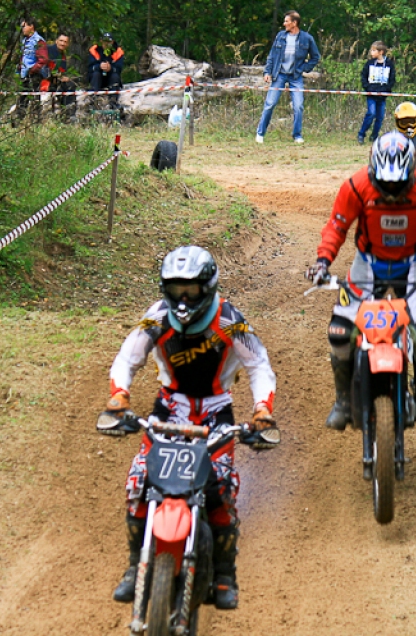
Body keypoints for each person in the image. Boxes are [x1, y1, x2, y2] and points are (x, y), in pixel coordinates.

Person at [97, 246, 277, 611]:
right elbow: (127, 356)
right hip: (169, 411)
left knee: (220, 489)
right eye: (176, 288)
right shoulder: (156, 316)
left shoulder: (231, 320)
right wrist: (119, 395)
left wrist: (262, 409)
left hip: (215, 415)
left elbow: (258, 365)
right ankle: (135, 567)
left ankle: (225, 574)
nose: (183, 297)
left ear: (207, 287)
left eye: (191, 290)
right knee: (139, 484)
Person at [305, 132, 416, 432]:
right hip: (368, 264)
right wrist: (323, 261)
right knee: (339, 332)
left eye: (398, 186)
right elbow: (337, 226)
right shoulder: (356, 186)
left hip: (413, 264)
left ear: (413, 172)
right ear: (373, 172)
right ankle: (343, 402)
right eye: (384, 186)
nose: (391, 193)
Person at [255, 11, 321, 144]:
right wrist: (267, 72)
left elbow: (316, 57)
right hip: (279, 74)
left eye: (286, 21)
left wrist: (304, 69)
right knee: (270, 104)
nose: (284, 24)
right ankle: (260, 134)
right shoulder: (280, 36)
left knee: (298, 106)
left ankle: (297, 135)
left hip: (296, 77)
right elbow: (272, 56)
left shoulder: (307, 38)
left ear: (294, 23)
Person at [357, 41, 396, 144]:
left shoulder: (389, 64)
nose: (371, 52)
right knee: (371, 113)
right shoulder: (369, 63)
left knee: (380, 117)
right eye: (371, 50)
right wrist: (368, 88)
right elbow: (363, 76)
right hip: (371, 94)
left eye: (374, 50)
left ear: (381, 52)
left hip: (382, 95)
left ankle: (374, 136)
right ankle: (361, 134)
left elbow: (392, 79)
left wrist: (386, 89)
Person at [16, 18, 48, 120]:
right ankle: (19, 120)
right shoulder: (24, 41)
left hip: (34, 75)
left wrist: (33, 70)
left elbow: (43, 59)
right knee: (22, 98)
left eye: (24, 26)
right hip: (24, 74)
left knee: (34, 99)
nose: (22, 29)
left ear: (31, 26)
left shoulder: (38, 41)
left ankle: (35, 120)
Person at [87, 33, 125, 109]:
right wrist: (99, 66)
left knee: (115, 76)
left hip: (111, 79)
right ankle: (93, 101)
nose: (106, 44)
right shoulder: (95, 50)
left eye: (109, 42)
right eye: (105, 41)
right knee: (95, 74)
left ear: (112, 42)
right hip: (97, 79)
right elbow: (90, 68)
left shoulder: (118, 52)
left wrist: (110, 68)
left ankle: (113, 102)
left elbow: (119, 69)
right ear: (101, 41)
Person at [46, 34, 77, 121]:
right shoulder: (48, 50)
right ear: (56, 41)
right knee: (57, 84)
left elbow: (62, 71)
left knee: (71, 84)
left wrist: (64, 77)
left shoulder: (63, 56)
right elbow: (43, 68)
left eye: (65, 42)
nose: (63, 43)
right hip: (45, 78)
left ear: (68, 44)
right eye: (61, 41)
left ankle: (68, 112)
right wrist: (57, 77)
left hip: (56, 79)